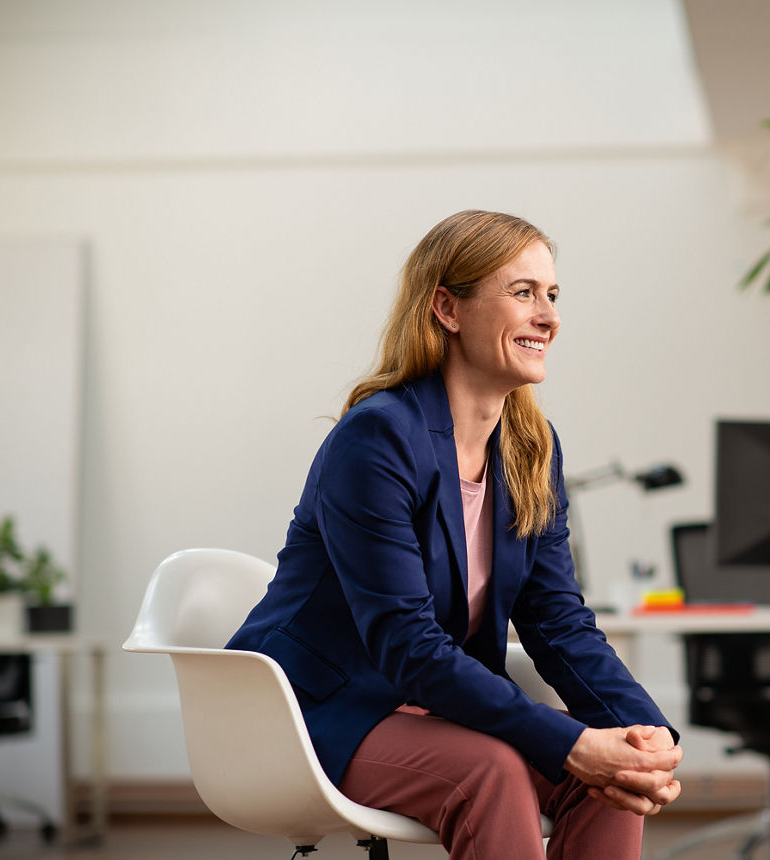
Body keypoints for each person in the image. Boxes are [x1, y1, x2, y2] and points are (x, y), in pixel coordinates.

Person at [227, 210, 682, 858]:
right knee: (494, 769)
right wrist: (573, 742)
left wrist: (643, 732)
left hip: (431, 707)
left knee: (609, 779)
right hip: (318, 709)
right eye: (523, 293)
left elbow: (558, 620)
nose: (549, 317)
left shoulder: (531, 447)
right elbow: (406, 642)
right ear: (447, 307)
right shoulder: (377, 438)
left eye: (552, 295)